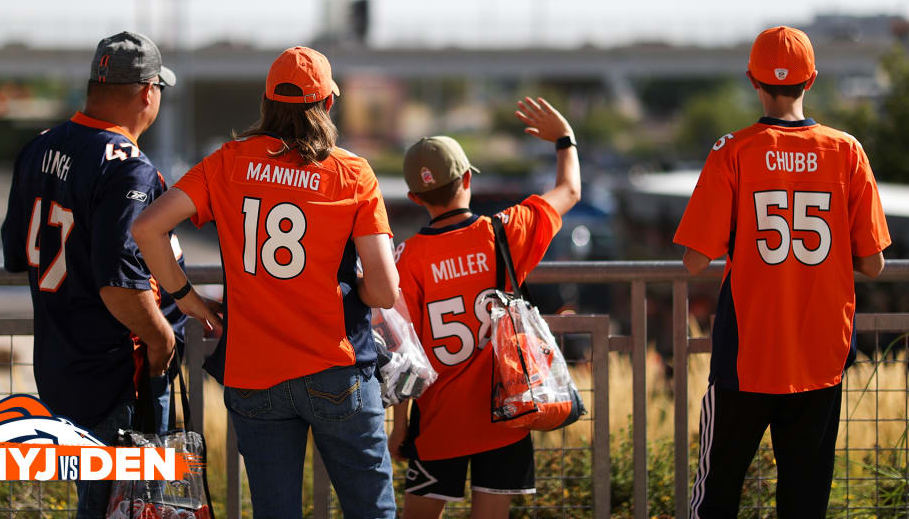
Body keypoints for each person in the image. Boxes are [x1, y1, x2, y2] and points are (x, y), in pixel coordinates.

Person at [131, 46, 399, 519]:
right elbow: (384, 292)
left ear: (266, 102)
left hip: (254, 374)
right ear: (328, 105)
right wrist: (352, 289)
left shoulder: (228, 162)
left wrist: (186, 297)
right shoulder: (353, 174)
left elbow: (146, 228)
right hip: (335, 367)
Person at [674, 26, 892, 518]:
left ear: (753, 79)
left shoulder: (733, 150)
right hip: (820, 357)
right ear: (811, 79)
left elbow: (693, 260)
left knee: (717, 491)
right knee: (805, 499)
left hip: (747, 358)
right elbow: (874, 263)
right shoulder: (847, 151)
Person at [0, 31, 187, 518]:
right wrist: (162, 338)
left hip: (61, 364)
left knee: (98, 501)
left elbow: (18, 254)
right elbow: (118, 283)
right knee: (128, 507)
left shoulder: (39, 147)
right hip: (116, 373)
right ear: (148, 92)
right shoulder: (128, 168)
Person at [389, 97, 581, 519]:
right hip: (507, 416)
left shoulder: (407, 259)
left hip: (438, 421)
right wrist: (564, 138)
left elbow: (405, 351)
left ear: (414, 196)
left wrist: (400, 425)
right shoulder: (504, 232)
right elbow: (569, 190)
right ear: (467, 180)